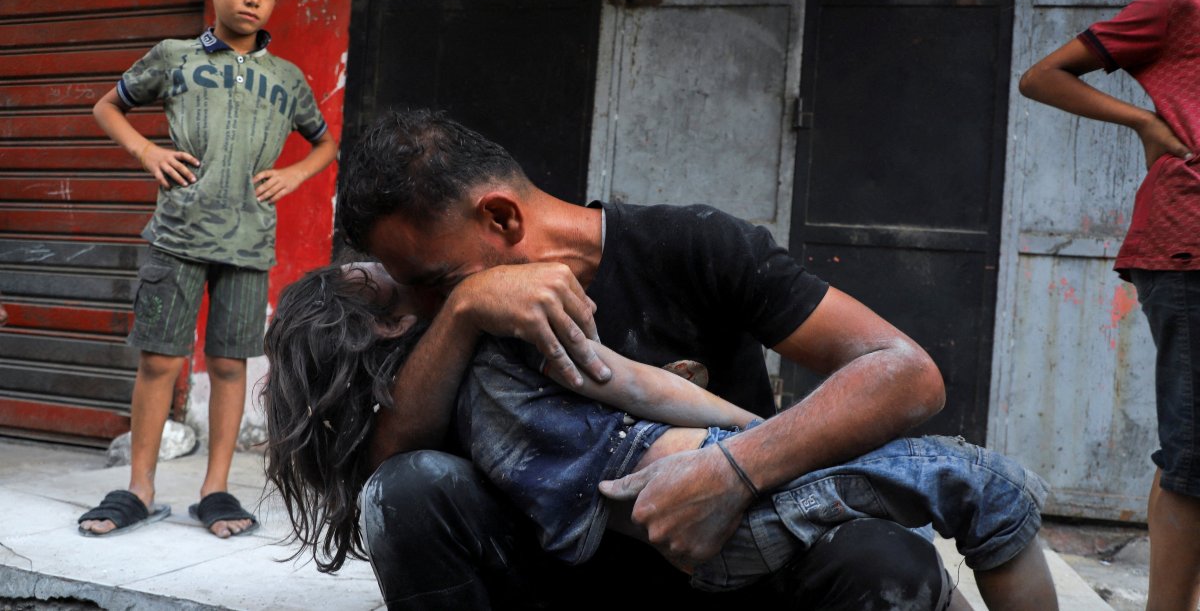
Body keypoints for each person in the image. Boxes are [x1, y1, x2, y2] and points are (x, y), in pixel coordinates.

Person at [335, 108, 973, 609]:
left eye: (437, 279)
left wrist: (734, 470)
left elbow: (907, 373)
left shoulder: (691, 244)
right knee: (406, 490)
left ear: (501, 217)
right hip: (564, 583)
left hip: (737, 566)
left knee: (891, 565)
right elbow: (386, 467)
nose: (421, 304)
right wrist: (466, 304)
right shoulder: (453, 310)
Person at [263, 262, 1057, 609]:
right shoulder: (486, 349)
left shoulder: (488, 359)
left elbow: (635, 384)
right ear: (393, 320)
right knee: (988, 482)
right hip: (720, 519)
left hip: (724, 526)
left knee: (906, 542)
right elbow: (631, 384)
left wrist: (766, 436)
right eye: (391, 273)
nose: (415, 270)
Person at [77, 0, 337, 538]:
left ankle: (215, 489)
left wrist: (295, 172)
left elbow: (325, 142)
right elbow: (106, 107)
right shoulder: (173, 57)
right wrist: (146, 151)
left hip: (248, 243)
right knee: (160, 361)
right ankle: (138, 487)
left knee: (227, 364)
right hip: (176, 236)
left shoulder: (288, 79)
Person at [1019, 0, 1200, 611]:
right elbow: (1044, 76)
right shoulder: (1182, 4)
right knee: (1195, 459)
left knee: (1188, 449)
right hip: (1189, 246)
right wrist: (1144, 120)